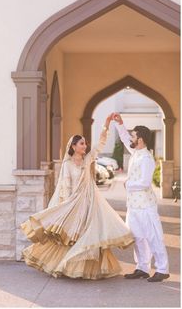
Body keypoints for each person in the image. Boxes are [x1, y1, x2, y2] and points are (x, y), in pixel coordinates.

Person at [20, 114, 134, 280]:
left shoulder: (88, 159)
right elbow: (65, 186)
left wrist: (107, 123)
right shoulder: (67, 164)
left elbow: (100, 144)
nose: (85, 145)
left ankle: (88, 268)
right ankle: (67, 266)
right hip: (73, 204)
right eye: (82, 143)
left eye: (85, 143)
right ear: (73, 146)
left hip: (90, 203)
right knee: (72, 237)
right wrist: (67, 207)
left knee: (92, 234)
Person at [112, 112, 170, 282]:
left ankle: (162, 269)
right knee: (137, 237)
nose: (131, 136)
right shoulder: (136, 152)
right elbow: (124, 138)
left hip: (146, 205)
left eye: (134, 135)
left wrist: (127, 184)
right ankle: (142, 267)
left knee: (153, 236)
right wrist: (119, 123)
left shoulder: (146, 158)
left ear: (141, 139)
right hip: (133, 205)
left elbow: (144, 183)